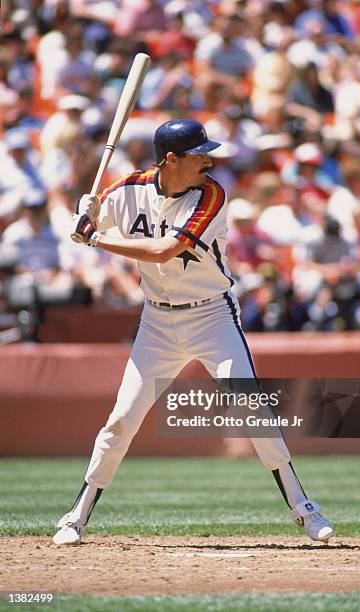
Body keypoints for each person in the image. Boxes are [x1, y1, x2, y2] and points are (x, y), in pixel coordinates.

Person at [53, 118, 333, 546]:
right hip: (156, 322)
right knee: (121, 420)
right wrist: (85, 213)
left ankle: (304, 508)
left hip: (212, 317)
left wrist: (94, 239)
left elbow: (165, 249)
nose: (208, 160)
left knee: (254, 410)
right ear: (171, 159)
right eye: (199, 153)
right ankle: (76, 516)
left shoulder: (213, 195)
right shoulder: (127, 188)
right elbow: (88, 216)